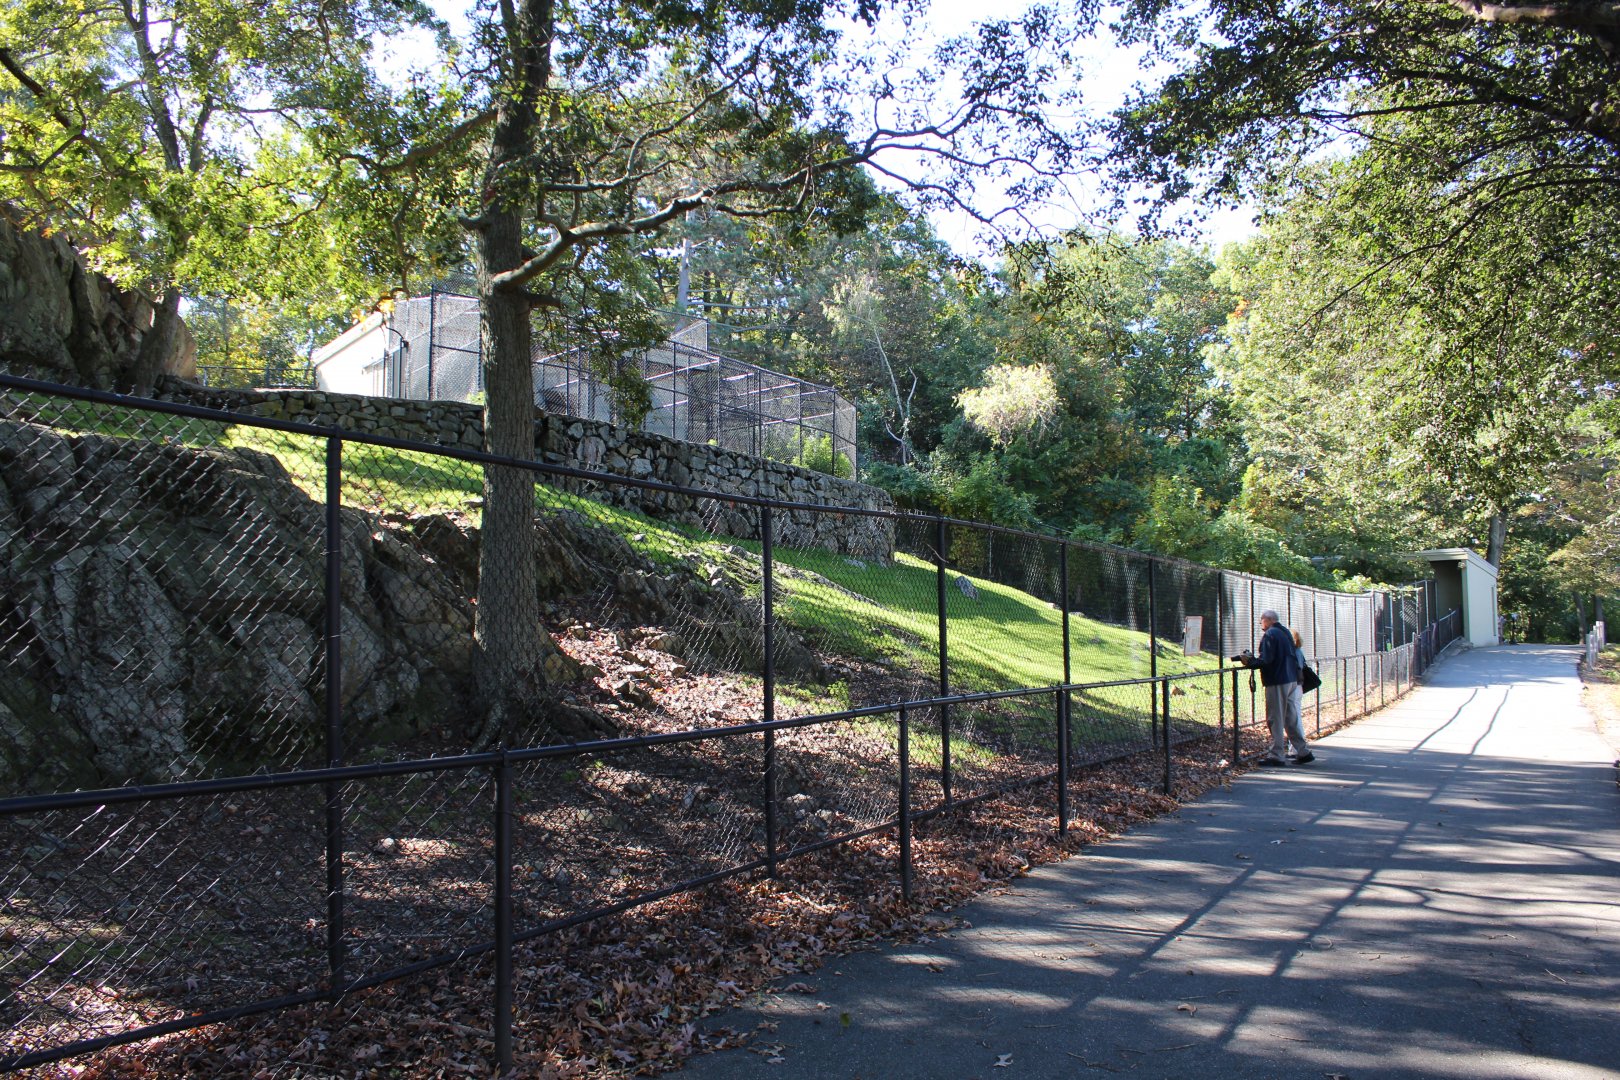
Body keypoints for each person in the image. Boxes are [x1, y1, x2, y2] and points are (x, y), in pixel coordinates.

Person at [1233, 610, 1314, 766]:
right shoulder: (1285, 633)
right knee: (1291, 717)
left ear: (1268, 620)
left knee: (1275, 717)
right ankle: (1303, 751)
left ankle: (1276, 754)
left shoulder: (1271, 634)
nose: (1260, 624)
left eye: (1261, 621)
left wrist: (1249, 662)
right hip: (1291, 680)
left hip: (1277, 680)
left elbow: (1267, 660)